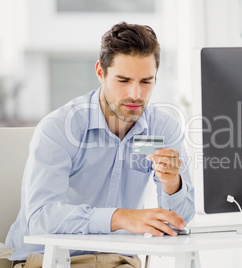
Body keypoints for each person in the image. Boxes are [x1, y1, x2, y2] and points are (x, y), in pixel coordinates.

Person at [6, 22, 195, 267]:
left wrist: (172, 185)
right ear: (100, 72)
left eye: (146, 82)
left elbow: (178, 222)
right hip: (52, 260)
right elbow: (41, 219)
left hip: (119, 262)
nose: (136, 94)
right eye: (123, 80)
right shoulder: (60, 127)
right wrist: (120, 218)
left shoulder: (162, 127)